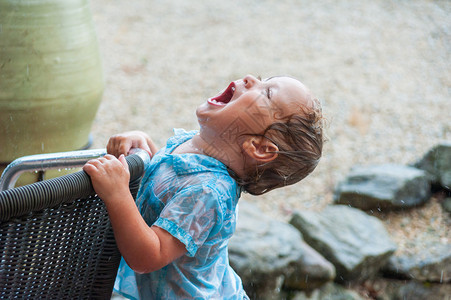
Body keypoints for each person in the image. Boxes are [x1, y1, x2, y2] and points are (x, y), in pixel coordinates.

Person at [83, 74, 324, 299]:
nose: (251, 78)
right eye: (263, 79)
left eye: (267, 92)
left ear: (259, 147)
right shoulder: (193, 147)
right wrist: (145, 145)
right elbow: (170, 186)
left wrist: (117, 194)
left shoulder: (208, 191)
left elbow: (148, 256)